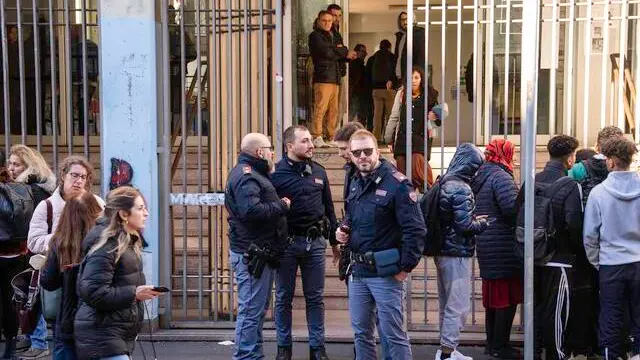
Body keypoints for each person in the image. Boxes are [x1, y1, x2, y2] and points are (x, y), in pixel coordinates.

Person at [336, 129, 426, 359]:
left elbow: (415, 230)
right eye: (357, 152)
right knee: (361, 334)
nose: (362, 156)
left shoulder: (398, 184)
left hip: (385, 273)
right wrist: (343, 230)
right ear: (351, 154)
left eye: (367, 151)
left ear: (378, 151)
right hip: (358, 271)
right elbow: (352, 215)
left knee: (393, 334)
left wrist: (405, 268)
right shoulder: (355, 180)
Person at [23, 155, 104, 359]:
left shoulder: (96, 203)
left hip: (91, 279)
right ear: (63, 176)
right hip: (62, 280)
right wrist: (63, 238)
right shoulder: (47, 206)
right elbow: (33, 241)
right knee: (64, 335)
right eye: (74, 175)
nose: (78, 181)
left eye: (83, 177)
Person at [271, 125, 337, 360]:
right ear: (290, 146)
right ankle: (283, 348)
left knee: (315, 298)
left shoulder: (319, 171)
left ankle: (317, 349)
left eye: (311, 140)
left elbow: (329, 208)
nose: (311, 145)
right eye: (305, 141)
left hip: (315, 244)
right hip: (286, 245)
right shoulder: (275, 174)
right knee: (283, 298)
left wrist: (335, 244)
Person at [74, 186, 160, 360]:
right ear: (123, 214)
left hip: (114, 333)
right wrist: (134, 294)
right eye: (140, 208)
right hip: (101, 335)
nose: (146, 214)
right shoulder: (107, 245)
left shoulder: (126, 242)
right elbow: (93, 291)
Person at [225, 133, 289, 360]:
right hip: (252, 255)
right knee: (251, 311)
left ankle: (253, 355)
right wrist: (280, 206)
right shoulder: (247, 176)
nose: (273, 153)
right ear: (259, 152)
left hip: (258, 252)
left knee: (256, 311)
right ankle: (245, 356)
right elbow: (250, 211)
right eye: (270, 148)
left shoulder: (256, 174)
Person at [519, 135, 583, 360]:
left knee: (534, 309)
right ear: (570, 159)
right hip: (559, 258)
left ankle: (533, 353)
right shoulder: (571, 186)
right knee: (555, 314)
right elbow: (574, 224)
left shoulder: (532, 181)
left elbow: (516, 215)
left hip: (532, 256)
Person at [567, 126, 624, 358]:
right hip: (617, 242)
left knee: (586, 293)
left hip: (586, 237)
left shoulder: (581, 168)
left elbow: (563, 190)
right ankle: (613, 346)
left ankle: (586, 344)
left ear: (598, 145)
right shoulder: (623, 170)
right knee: (615, 300)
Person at [583, 136, 640, 360]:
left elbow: (589, 235)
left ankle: (611, 355)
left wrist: (598, 261)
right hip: (638, 261)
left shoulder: (599, 193)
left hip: (610, 264)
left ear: (610, 162)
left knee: (610, 317)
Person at [433, 143, 488, 360]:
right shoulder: (462, 188)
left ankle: (447, 349)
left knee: (447, 303)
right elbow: (464, 226)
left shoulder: (444, 181)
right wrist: (482, 224)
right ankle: (447, 353)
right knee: (458, 304)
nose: (476, 171)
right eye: (476, 166)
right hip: (456, 253)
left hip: (442, 250)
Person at [0, 145, 55, 359]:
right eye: (10, 163)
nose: (12, 168)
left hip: (29, 251)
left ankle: (38, 342)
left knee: (29, 298)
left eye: (17, 164)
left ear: (29, 166)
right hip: (21, 250)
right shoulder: (13, 186)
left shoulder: (34, 190)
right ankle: (31, 338)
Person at [470, 139, 521, 359]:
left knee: (494, 299)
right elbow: (510, 209)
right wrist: (523, 200)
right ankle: (500, 346)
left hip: (487, 242)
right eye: (513, 153)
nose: (515, 158)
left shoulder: (482, 174)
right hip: (503, 244)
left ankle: (492, 344)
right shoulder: (500, 176)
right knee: (505, 299)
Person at [40, 191, 102, 360]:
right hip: (99, 317)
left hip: (68, 317)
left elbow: (48, 282)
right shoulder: (104, 241)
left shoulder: (59, 243)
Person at [384, 66, 440, 191]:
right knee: (402, 175)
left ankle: (428, 193)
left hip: (421, 138)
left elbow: (438, 118)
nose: (413, 81)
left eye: (416, 77)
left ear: (422, 79)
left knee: (418, 167)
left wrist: (434, 118)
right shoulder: (402, 93)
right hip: (403, 138)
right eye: (411, 78)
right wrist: (388, 138)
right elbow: (394, 116)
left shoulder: (430, 94)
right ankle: (407, 201)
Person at [308, 10, 357, 148]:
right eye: (324, 20)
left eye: (330, 20)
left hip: (335, 76)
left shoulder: (334, 34)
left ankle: (331, 136)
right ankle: (317, 135)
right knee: (320, 108)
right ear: (318, 21)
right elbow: (327, 52)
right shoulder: (315, 36)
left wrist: (340, 50)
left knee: (333, 109)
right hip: (323, 77)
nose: (328, 23)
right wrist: (342, 51)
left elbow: (339, 50)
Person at [366, 39, 396, 141]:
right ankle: (389, 137)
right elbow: (396, 72)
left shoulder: (372, 58)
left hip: (376, 90)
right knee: (390, 115)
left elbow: (368, 75)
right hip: (389, 89)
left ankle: (376, 137)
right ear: (389, 47)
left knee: (377, 115)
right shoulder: (393, 57)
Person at [393, 12, 425, 88]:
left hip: (411, 77)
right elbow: (397, 57)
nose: (405, 22)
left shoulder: (418, 34)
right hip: (400, 77)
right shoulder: (400, 36)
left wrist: (416, 77)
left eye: (407, 19)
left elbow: (420, 57)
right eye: (402, 20)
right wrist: (392, 78)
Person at [349, 44, 369, 125]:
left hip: (360, 94)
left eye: (365, 52)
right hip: (356, 94)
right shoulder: (355, 64)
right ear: (356, 52)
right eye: (363, 51)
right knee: (353, 115)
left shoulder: (360, 65)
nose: (365, 54)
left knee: (357, 116)